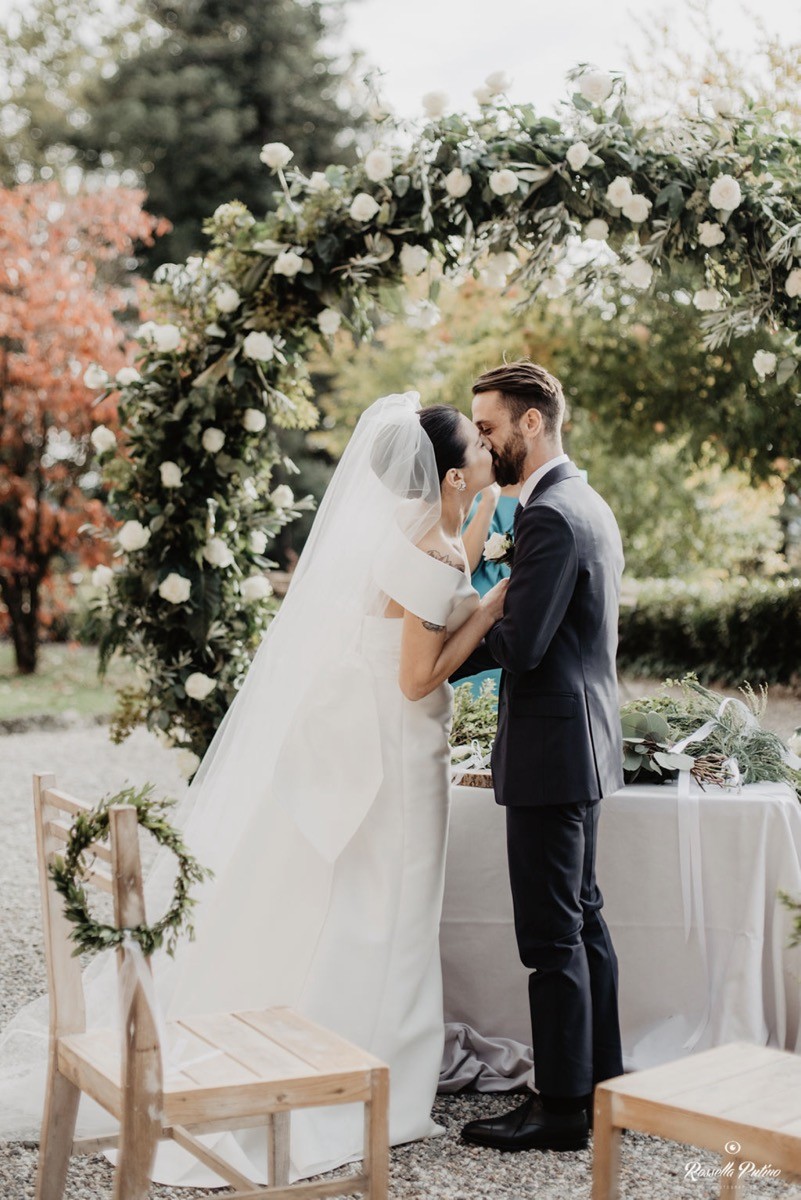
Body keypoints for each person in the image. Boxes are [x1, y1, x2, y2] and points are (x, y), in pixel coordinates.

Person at [0, 393, 507, 1187]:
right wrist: (494, 609)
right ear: (448, 476)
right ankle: (383, 1077)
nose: (488, 447)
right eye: (477, 446)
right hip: (400, 738)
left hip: (374, 728)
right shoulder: (435, 553)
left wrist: (480, 530)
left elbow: (441, 563)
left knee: (370, 893)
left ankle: (366, 1050)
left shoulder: (426, 534)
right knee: (395, 897)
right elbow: (417, 676)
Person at [454, 360, 625, 1154]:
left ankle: (559, 1111)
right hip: (580, 742)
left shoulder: (549, 515)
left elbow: (522, 644)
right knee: (581, 923)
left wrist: (443, 643)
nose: (482, 442)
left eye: (488, 426)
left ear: (531, 422)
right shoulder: (583, 502)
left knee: (550, 938)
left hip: (553, 749)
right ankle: (597, 1086)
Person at [459, 482, 522, 696]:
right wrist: (488, 502)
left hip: (517, 630)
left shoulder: (546, 492)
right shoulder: (467, 490)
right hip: (471, 631)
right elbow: (461, 565)